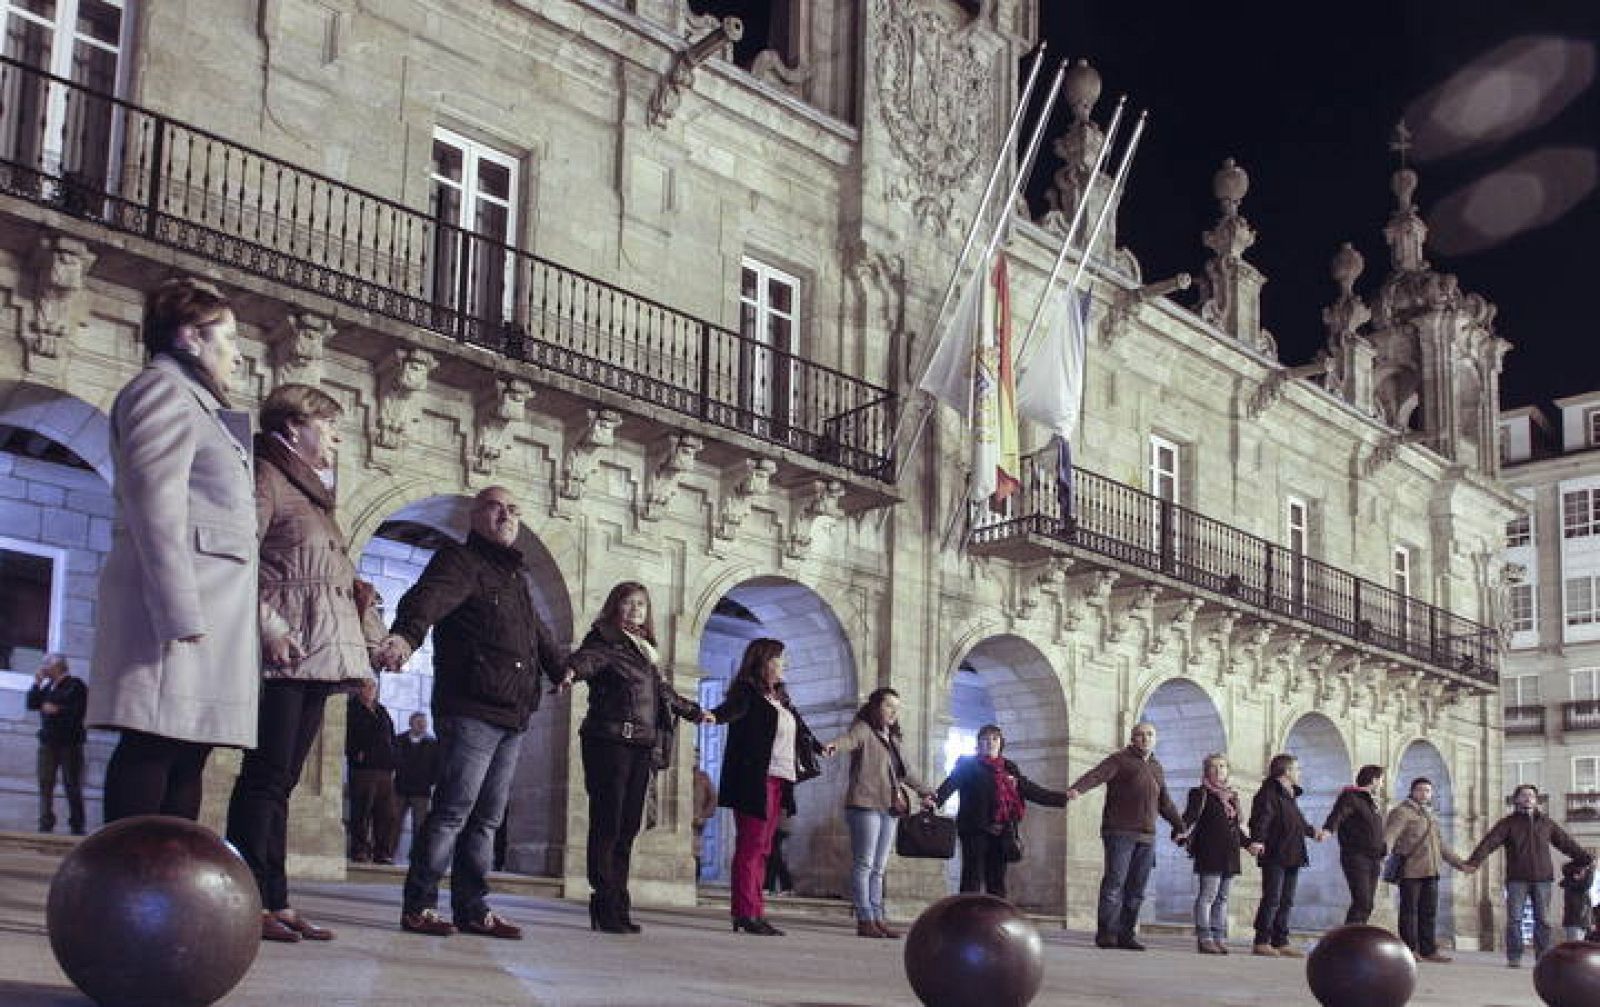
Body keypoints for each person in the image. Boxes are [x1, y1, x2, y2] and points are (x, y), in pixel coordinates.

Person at [88, 277, 257, 823]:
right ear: (189, 336)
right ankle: (123, 890)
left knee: (188, 754)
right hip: (182, 614)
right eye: (227, 338)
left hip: (211, 610)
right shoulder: (161, 391)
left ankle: (171, 901)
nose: (237, 353)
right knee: (155, 747)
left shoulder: (199, 404)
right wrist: (178, 610)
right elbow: (154, 506)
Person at [224, 381, 381, 944]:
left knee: (281, 783)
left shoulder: (314, 493)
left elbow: (331, 580)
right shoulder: (267, 477)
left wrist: (365, 652)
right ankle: (247, 900)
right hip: (284, 651)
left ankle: (277, 900)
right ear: (294, 427)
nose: (337, 437)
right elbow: (237, 554)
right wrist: (271, 628)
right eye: (329, 425)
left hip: (315, 655)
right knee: (264, 779)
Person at [377, 485, 567, 939]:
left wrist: (562, 668)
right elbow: (427, 599)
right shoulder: (459, 561)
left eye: (514, 509)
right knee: (452, 812)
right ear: (475, 516)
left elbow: (537, 633)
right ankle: (420, 905)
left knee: (486, 819)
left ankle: (473, 909)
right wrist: (405, 635)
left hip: (512, 715)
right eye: (496, 507)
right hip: (471, 709)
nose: (506, 515)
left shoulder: (516, 578)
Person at [563, 581, 708, 934]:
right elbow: (588, 660)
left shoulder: (646, 653)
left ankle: (619, 904)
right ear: (615, 606)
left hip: (641, 745)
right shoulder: (605, 639)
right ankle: (603, 902)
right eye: (628, 603)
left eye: (641, 605)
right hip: (610, 741)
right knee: (608, 823)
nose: (635, 610)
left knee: (628, 827)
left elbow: (662, 693)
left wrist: (695, 711)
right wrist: (569, 671)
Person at [708, 638, 825, 937]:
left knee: (764, 848)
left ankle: (754, 911)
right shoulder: (748, 692)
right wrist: (714, 716)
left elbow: (801, 728)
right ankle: (746, 913)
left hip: (779, 779)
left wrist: (820, 747)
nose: (784, 664)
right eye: (779, 659)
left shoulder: (781, 697)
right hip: (754, 779)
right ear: (763, 661)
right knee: (751, 846)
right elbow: (731, 709)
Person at [1065, 722, 1186, 951]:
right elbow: (1096, 775)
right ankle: (1107, 934)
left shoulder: (1156, 767)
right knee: (1114, 884)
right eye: (1140, 735)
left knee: (1136, 889)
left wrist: (1180, 825)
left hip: (1147, 837)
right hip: (1120, 832)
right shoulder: (1119, 760)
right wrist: (1077, 789)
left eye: (1150, 734)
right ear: (1132, 738)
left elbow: (1165, 802)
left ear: (1155, 738)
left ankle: (1126, 935)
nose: (1145, 738)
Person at [825, 686, 933, 939]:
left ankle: (878, 917)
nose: (893, 711)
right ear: (876, 707)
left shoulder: (894, 740)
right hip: (865, 804)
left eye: (897, 707)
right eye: (888, 706)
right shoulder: (864, 729)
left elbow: (909, 773)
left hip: (889, 808)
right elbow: (848, 740)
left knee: (879, 868)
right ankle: (865, 919)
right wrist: (832, 746)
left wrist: (926, 791)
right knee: (864, 864)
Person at [1464, 783, 1594, 967]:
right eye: (1524, 795)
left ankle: (1542, 958)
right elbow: (1489, 842)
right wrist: (1473, 862)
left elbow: (1566, 843)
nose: (1528, 798)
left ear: (1536, 800)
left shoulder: (1546, 823)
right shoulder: (1507, 823)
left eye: (1531, 795)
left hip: (1543, 878)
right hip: (1517, 878)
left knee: (1543, 920)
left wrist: (1586, 858)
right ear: (1516, 799)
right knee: (1515, 919)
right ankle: (1514, 957)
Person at [934, 723, 1067, 900]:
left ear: (1001, 743)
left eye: (994, 739)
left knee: (996, 881)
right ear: (978, 744)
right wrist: (934, 800)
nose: (990, 743)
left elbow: (1029, 789)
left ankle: (994, 922)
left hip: (1002, 832)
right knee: (972, 879)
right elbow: (951, 784)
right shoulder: (967, 764)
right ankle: (966, 921)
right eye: (985, 739)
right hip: (975, 830)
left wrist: (1061, 798)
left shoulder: (1009, 767)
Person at [1179, 753, 1262, 954]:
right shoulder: (1199, 793)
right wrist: (1178, 832)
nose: (1218, 771)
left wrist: (1249, 844)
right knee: (1208, 895)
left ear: (1228, 771)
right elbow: (1188, 818)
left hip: (1230, 854)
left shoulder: (1232, 797)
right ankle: (1204, 937)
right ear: (1206, 771)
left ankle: (1218, 936)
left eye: (1223, 766)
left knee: (1223, 898)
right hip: (1209, 852)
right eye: (1213, 767)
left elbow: (1236, 828)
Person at [1247, 753, 1326, 957]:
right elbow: (1260, 820)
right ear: (1286, 771)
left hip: (1293, 852)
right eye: (1297, 769)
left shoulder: (1290, 794)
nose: (1300, 773)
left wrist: (1312, 832)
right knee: (1272, 898)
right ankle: (1262, 940)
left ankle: (1280, 940)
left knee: (1286, 899)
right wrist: (1257, 840)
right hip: (1275, 852)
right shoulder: (1268, 793)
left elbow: (1297, 821)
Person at [1383, 777, 1470, 963]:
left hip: (1431, 871)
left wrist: (1460, 864)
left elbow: (1441, 846)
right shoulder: (1401, 812)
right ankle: (1409, 949)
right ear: (1412, 791)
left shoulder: (1431, 815)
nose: (1424, 793)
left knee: (1428, 912)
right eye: (1420, 790)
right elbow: (1390, 836)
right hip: (1410, 870)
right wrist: (1380, 855)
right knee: (1409, 912)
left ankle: (1429, 950)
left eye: (1428, 790)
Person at [26, 654, 88, 835]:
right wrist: (36, 684)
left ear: (57, 666)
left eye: (46, 664)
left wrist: (58, 709)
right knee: (45, 782)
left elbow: (79, 710)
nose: (43, 667)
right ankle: (45, 823)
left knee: (72, 784)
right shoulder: (47, 687)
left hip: (69, 744)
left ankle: (77, 825)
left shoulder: (75, 685)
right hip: (48, 742)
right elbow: (31, 703)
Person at [1324, 764, 1388, 925]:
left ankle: (1358, 939)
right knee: (1362, 901)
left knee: (1368, 904)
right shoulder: (1351, 797)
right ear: (1374, 780)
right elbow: (1338, 814)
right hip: (1356, 857)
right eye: (1381, 781)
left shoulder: (1371, 802)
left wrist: (1382, 849)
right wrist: (1328, 829)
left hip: (1373, 859)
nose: (1382, 784)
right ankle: (1348, 942)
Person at [346, 679, 399, 864]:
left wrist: (394, 759)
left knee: (387, 814)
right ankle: (360, 850)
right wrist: (356, 753)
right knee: (361, 812)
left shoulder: (382, 710)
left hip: (385, 770)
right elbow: (346, 737)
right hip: (364, 770)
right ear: (358, 689)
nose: (370, 690)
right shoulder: (351, 710)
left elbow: (391, 736)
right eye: (366, 686)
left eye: (373, 686)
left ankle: (383, 852)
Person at [393, 711, 440, 857]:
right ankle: (389, 852)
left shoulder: (433, 743)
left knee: (420, 826)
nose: (422, 726)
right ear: (411, 723)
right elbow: (394, 760)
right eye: (418, 722)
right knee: (394, 822)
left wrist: (430, 781)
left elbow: (437, 766)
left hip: (421, 791)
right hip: (400, 788)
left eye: (424, 723)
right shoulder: (399, 740)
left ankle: (417, 856)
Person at [692, 756, 717, 880]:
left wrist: (704, 815)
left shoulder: (703, 777)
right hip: (681, 820)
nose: (694, 759)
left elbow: (712, 798)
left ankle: (696, 877)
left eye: (697, 757)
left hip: (697, 820)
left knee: (695, 850)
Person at [1561, 855, 1596, 943]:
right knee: (1575, 950)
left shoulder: (1578, 886)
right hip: (1575, 923)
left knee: (1578, 951)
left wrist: (1591, 922)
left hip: (1579, 923)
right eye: (1584, 870)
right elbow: (1587, 883)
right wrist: (1591, 868)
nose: (1585, 873)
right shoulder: (1574, 884)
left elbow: (1587, 904)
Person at [765, 809, 795, 896]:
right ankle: (774, 886)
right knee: (774, 854)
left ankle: (771, 885)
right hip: (778, 821)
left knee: (774, 854)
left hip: (778, 821)